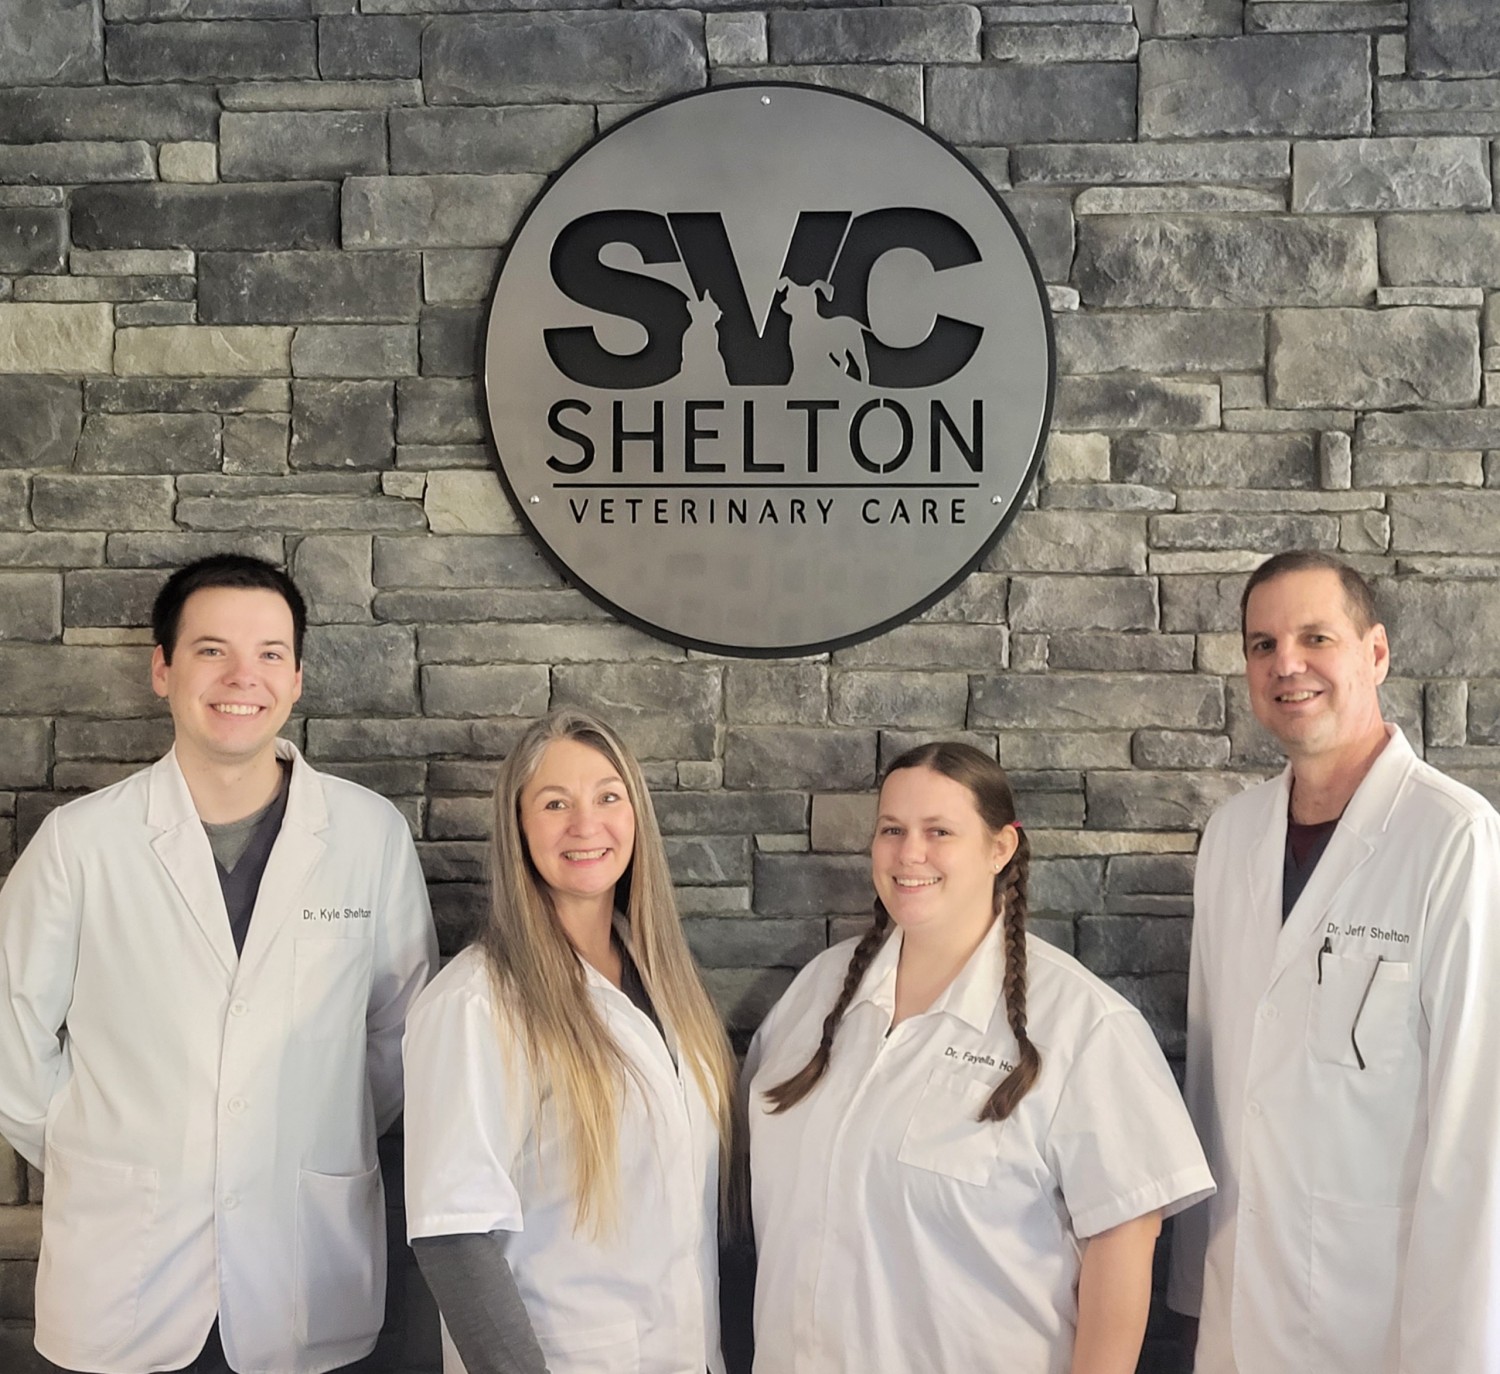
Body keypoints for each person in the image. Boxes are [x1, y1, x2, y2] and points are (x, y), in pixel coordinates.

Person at [0, 553, 437, 1374]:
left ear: (297, 678)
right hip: (123, 1278)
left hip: (305, 1271)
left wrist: (302, 1126)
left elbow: (401, 1036)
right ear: (162, 670)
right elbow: (8, 1041)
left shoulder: (368, 835)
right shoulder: (80, 844)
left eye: (270, 653)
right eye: (211, 650)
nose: (243, 677)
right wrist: (98, 1148)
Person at [745, 742, 1214, 1374]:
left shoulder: (1085, 1026)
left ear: (1001, 849)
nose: (909, 853)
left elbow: (1124, 1244)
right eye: (891, 830)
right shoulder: (814, 994)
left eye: (939, 831)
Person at [1167, 550, 1500, 1373]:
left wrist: (1459, 1351)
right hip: (1241, 1300)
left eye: (1315, 637)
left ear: (1375, 653)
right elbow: (1214, 1081)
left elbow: (1478, 1124)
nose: (1286, 664)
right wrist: (1195, 1282)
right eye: (1263, 645)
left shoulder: (1452, 838)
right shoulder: (1231, 837)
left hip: (1379, 1315)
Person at [402, 708, 738, 1374]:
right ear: (519, 827)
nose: (586, 825)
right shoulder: (476, 1003)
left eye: (608, 797)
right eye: (555, 803)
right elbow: (454, 1238)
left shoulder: (666, 980)